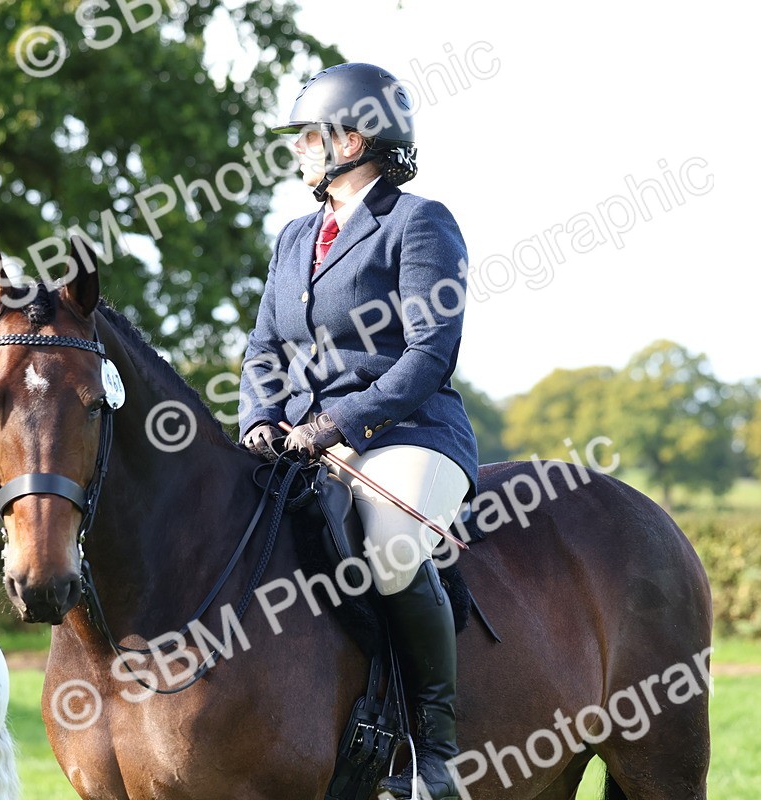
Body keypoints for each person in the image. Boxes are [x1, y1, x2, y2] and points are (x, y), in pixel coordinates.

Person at [237, 62, 479, 800]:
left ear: (357, 138)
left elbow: (428, 353)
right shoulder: (294, 236)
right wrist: (259, 420)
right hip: (304, 440)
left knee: (393, 546)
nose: (300, 148)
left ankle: (435, 753)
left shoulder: (418, 223)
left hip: (407, 435)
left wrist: (334, 424)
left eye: (312, 135)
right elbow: (265, 349)